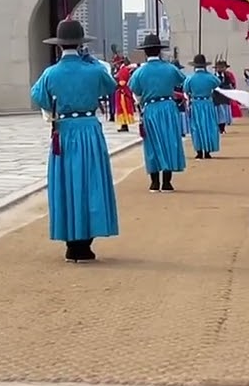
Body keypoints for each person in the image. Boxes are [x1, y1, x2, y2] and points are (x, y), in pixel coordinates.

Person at [30, 19, 120, 263]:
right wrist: (93, 64)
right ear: (81, 44)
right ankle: (87, 243)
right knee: (91, 182)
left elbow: (39, 97)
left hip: (64, 131)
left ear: (59, 46)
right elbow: (111, 87)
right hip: (89, 129)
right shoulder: (93, 70)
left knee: (67, 183)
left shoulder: (50, 73)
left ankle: (71, 243)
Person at [128, 34, 188, 192]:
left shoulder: (139, 72)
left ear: (145, 52)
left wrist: (142, 103)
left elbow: (136, 93)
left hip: (151, 109)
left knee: (152, 143)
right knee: (170, 141)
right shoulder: (170, 68)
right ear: (159, 51)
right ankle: (167, 182)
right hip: (169, 107)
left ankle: (154, 182)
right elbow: (181, 81)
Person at [183, 54, 221, 160]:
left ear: (194, 66)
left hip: (195, 104)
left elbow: (186, 90)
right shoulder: (210, 77)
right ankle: (207, 151)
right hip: (208, 104)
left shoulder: (190, 78)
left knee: (196, 127)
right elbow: (218, 83)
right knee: (209, 126)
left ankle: (199, 151)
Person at [113, 60, 136, 133]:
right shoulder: (123, 70)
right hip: (122, 91)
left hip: (123, 92)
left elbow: (122, 83)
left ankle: (124, 124)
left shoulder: (123, 71)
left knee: (123, 108)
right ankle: (124, 124)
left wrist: (115, 84)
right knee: (122, 108)